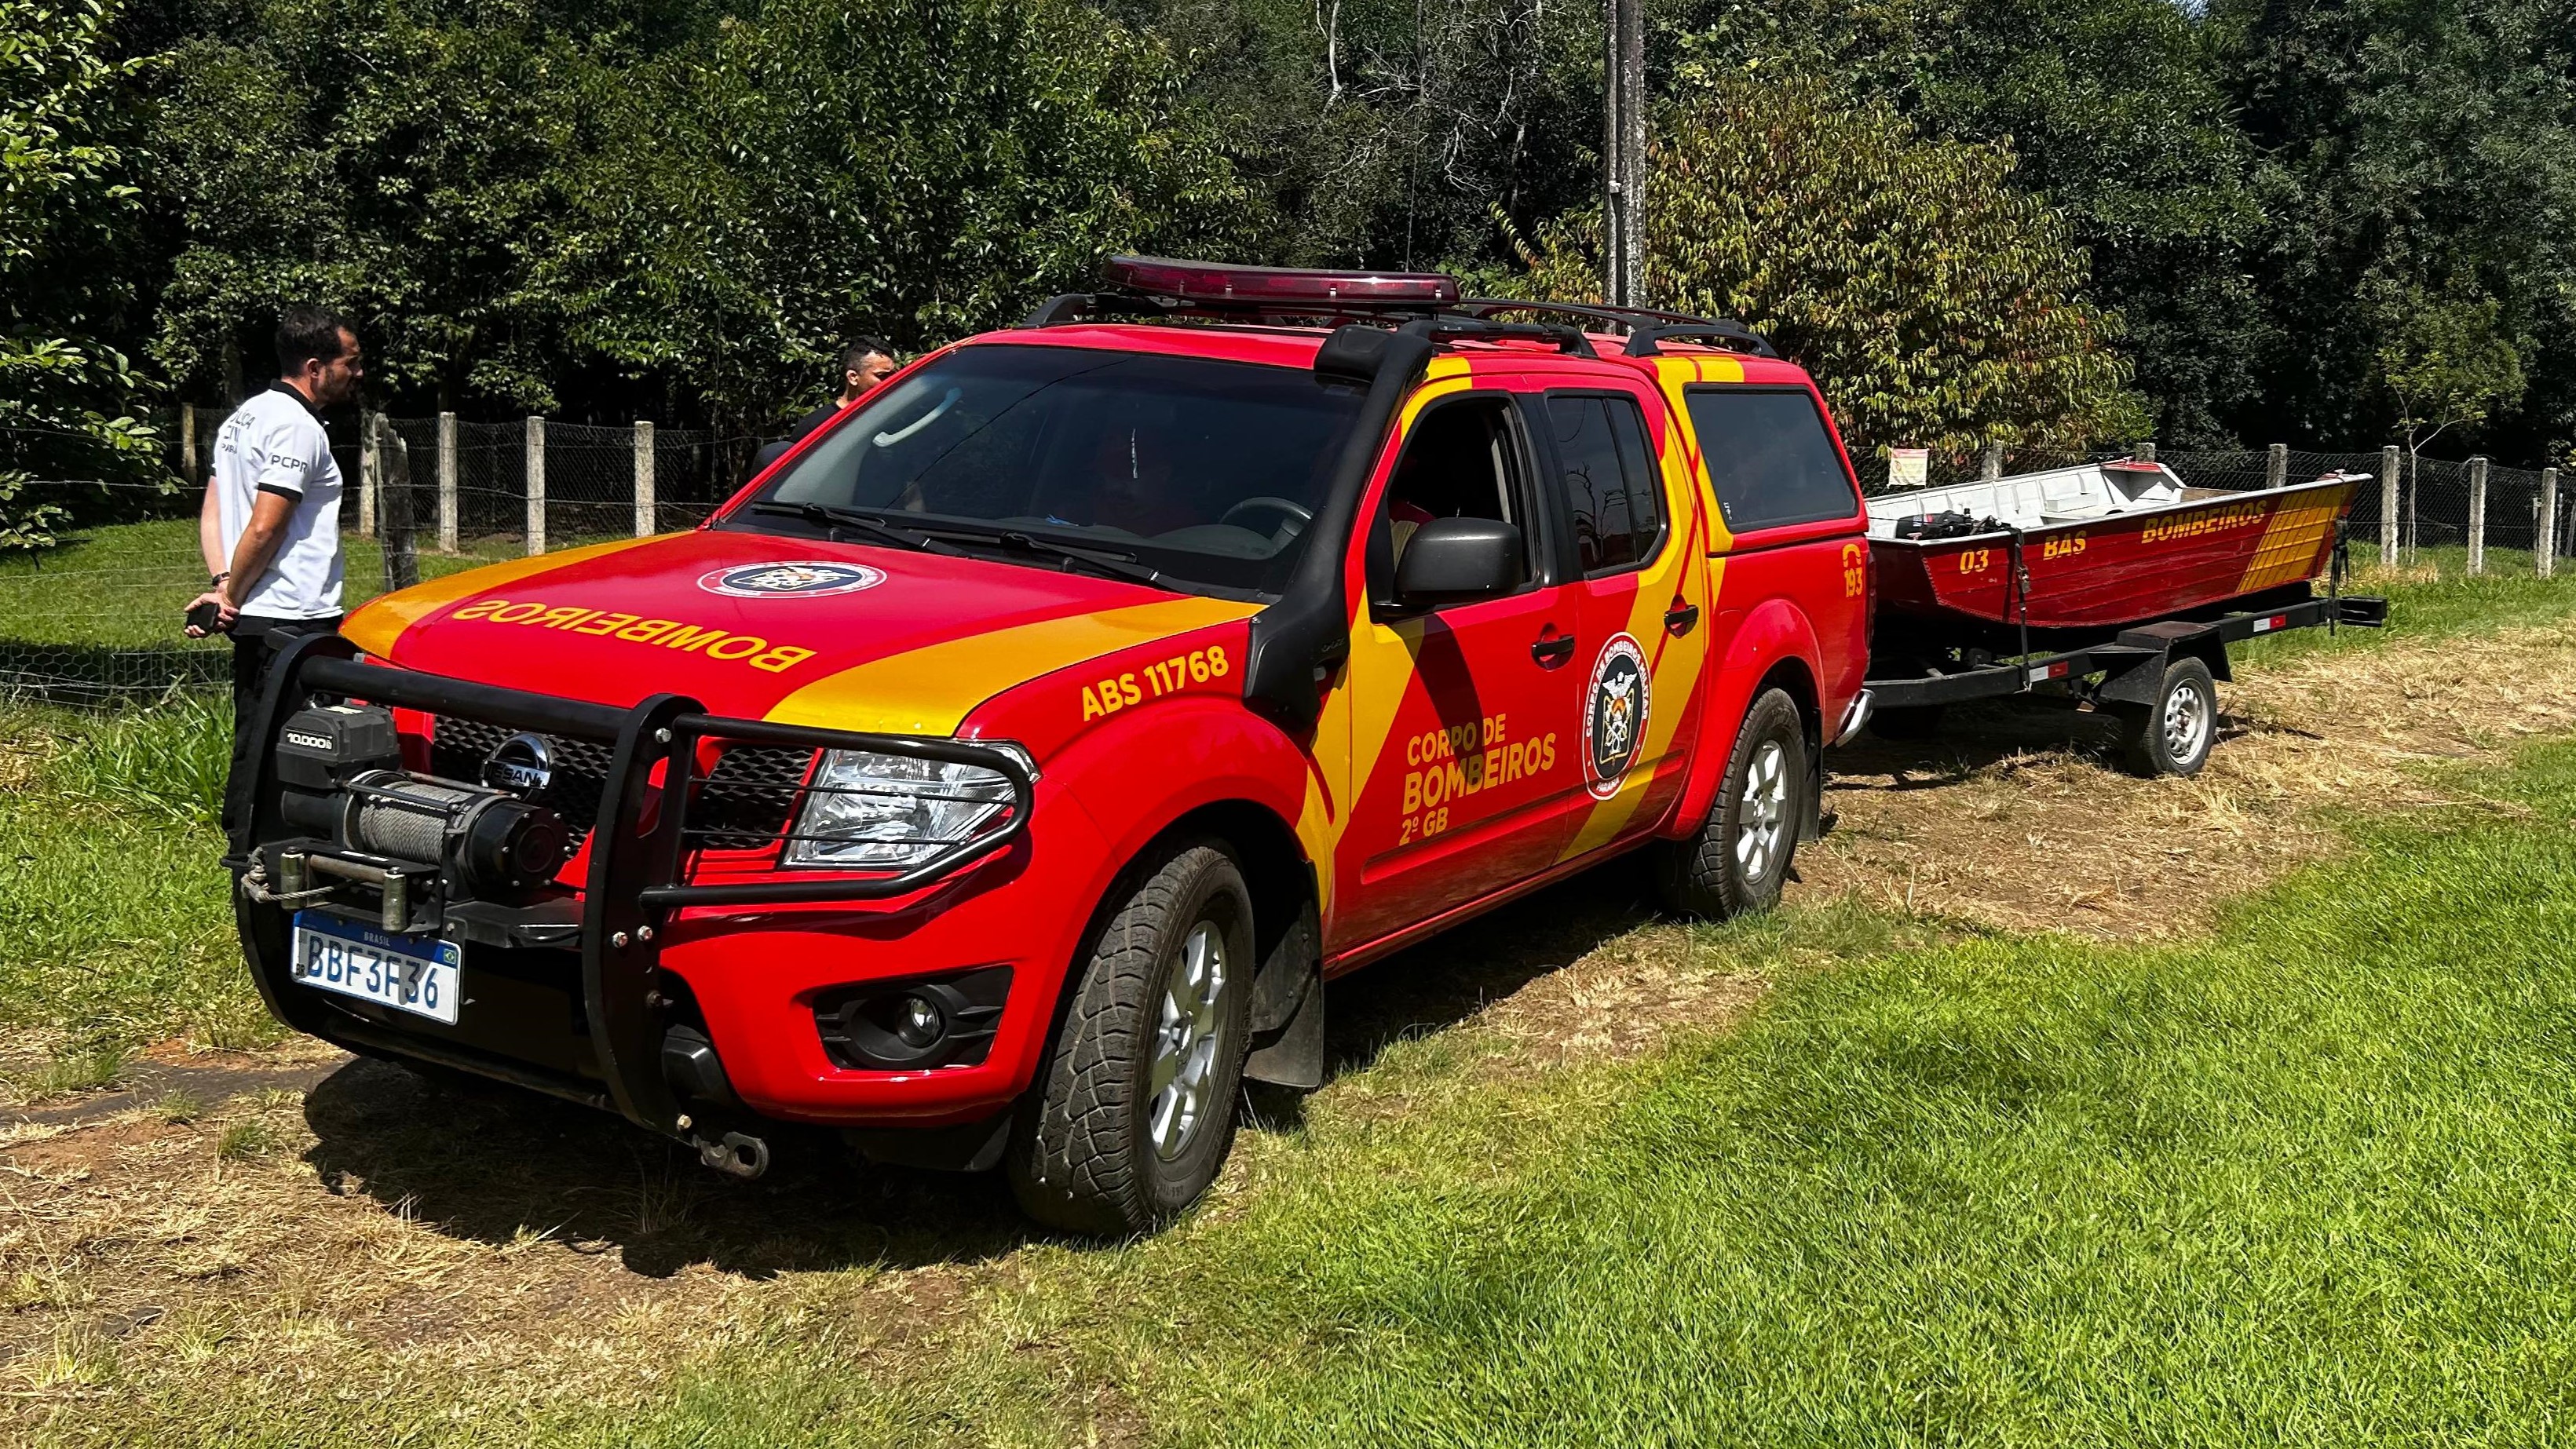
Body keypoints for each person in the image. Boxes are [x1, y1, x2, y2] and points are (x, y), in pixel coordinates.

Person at [187, 304, 364, 832]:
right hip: (295, 615)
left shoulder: (245, 417)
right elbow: (267, 526)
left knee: (256, 737)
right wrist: (231, 593)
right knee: (297, 751)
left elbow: (214, 507)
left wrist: (223, 585)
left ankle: (245, 842)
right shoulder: (298, 428)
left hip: (254, 615)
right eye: (350, 362)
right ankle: (266, 850)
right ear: (315, 367)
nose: (357, 373)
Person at [788, 337, 898, 443]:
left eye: (892, 375)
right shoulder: (815, 426)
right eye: (882, 376)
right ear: (853, 377)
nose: (890, 381)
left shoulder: (896, 416)